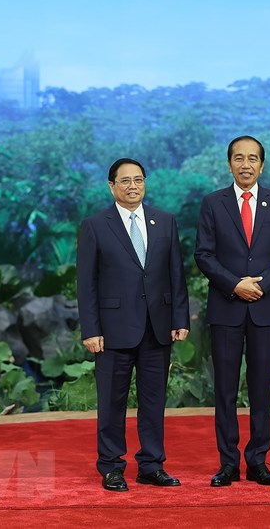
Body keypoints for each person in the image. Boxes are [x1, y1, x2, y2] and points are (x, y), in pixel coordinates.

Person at [76, 157, 190, 492]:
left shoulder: (164, 221)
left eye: (138, 180)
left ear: (145, 183)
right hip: (112, 330)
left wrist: (179, 317)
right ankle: (111, 467)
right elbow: (86, 283)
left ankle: (151, 466)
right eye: (124, 181)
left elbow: (175, 274)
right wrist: (90, 329)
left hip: (157, 327)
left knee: (153, 401)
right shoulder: (96, 225)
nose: (132, 186)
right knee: (112, 401)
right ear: (111, 186)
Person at [194, 135, 270, 487]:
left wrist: (263, 283)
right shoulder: (213, 204)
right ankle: (227, 463)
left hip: (264, 309)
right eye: (238, 158)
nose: (245, 164)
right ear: (229, 164)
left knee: (260, 389)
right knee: (224, 389)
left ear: (262, 164)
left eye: (252, 158)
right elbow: (204, 255)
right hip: (226, 308)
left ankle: (258, 461)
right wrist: (235, 283)